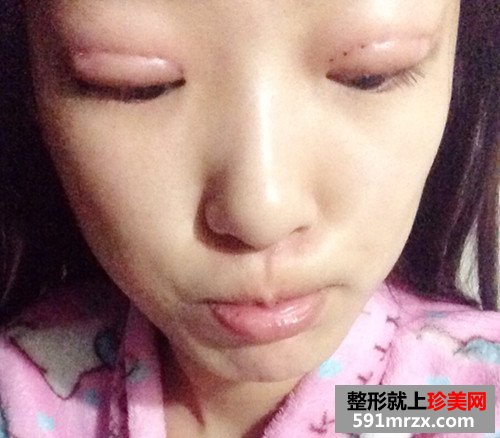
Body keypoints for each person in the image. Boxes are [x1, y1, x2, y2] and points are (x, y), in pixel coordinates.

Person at [0, 0, 498, 437]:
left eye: (372, 74)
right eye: (137, 85)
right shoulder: (21, 395)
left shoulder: (442, 401)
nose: (261, 212)